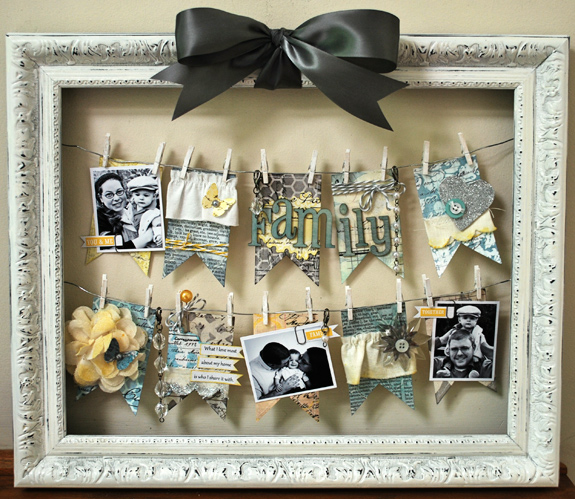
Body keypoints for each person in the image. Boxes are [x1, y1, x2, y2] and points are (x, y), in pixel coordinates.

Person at [94, 172, 153, 250]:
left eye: (119, 192)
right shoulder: (99, 219)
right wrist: (146, 238)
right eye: (109, 195)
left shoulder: (136, 208)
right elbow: (113, 250)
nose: (116, 198)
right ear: (100, 198)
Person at [127, 175, 163, 248]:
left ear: (154, 196)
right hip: (132, 240)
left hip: (146, 244)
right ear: (133, 196)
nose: (141, 198)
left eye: (146, 195)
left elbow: (157, 226)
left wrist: (159, 235)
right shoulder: (131, 208)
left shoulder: (154, 213)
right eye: (137, 195)